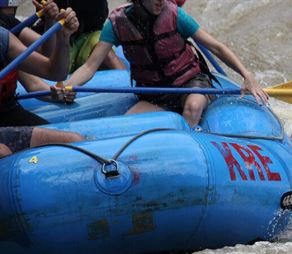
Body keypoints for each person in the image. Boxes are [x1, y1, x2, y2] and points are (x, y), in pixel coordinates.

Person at [56, 0, 269, 127]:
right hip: (155, 93)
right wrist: (68, 85)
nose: (161, 0)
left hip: (191, 84)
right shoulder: (116, 23)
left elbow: (216, 47)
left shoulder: (175, 15)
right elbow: (90, 66)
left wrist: (246, 74)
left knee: (193, 106)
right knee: (127, 123)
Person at [0, 10, 83, 157]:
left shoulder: (3, 37)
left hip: (7, 112)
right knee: (3, 152)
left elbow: (54, 72)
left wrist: (63, 36)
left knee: (74, 141)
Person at [32, 0, 126, 72]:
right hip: (57, 39)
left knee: (107, 53)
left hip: (87, 36)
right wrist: (50, 18)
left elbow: (101, 17)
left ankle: (129, 86)